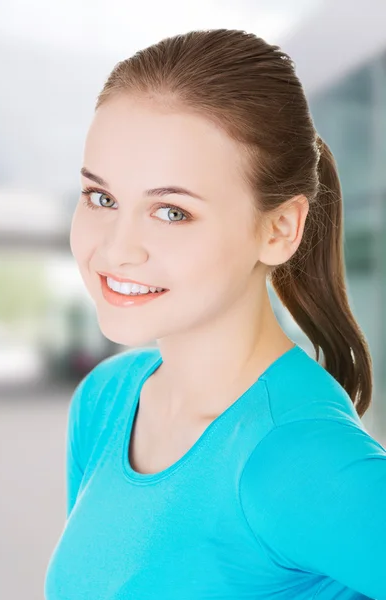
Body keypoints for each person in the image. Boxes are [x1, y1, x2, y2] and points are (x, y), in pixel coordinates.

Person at [44, 29, 386, 600]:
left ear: (279, 230)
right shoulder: (105, 399)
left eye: (172, 211)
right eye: (101, 199)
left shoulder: (303, 458)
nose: (115, 249)